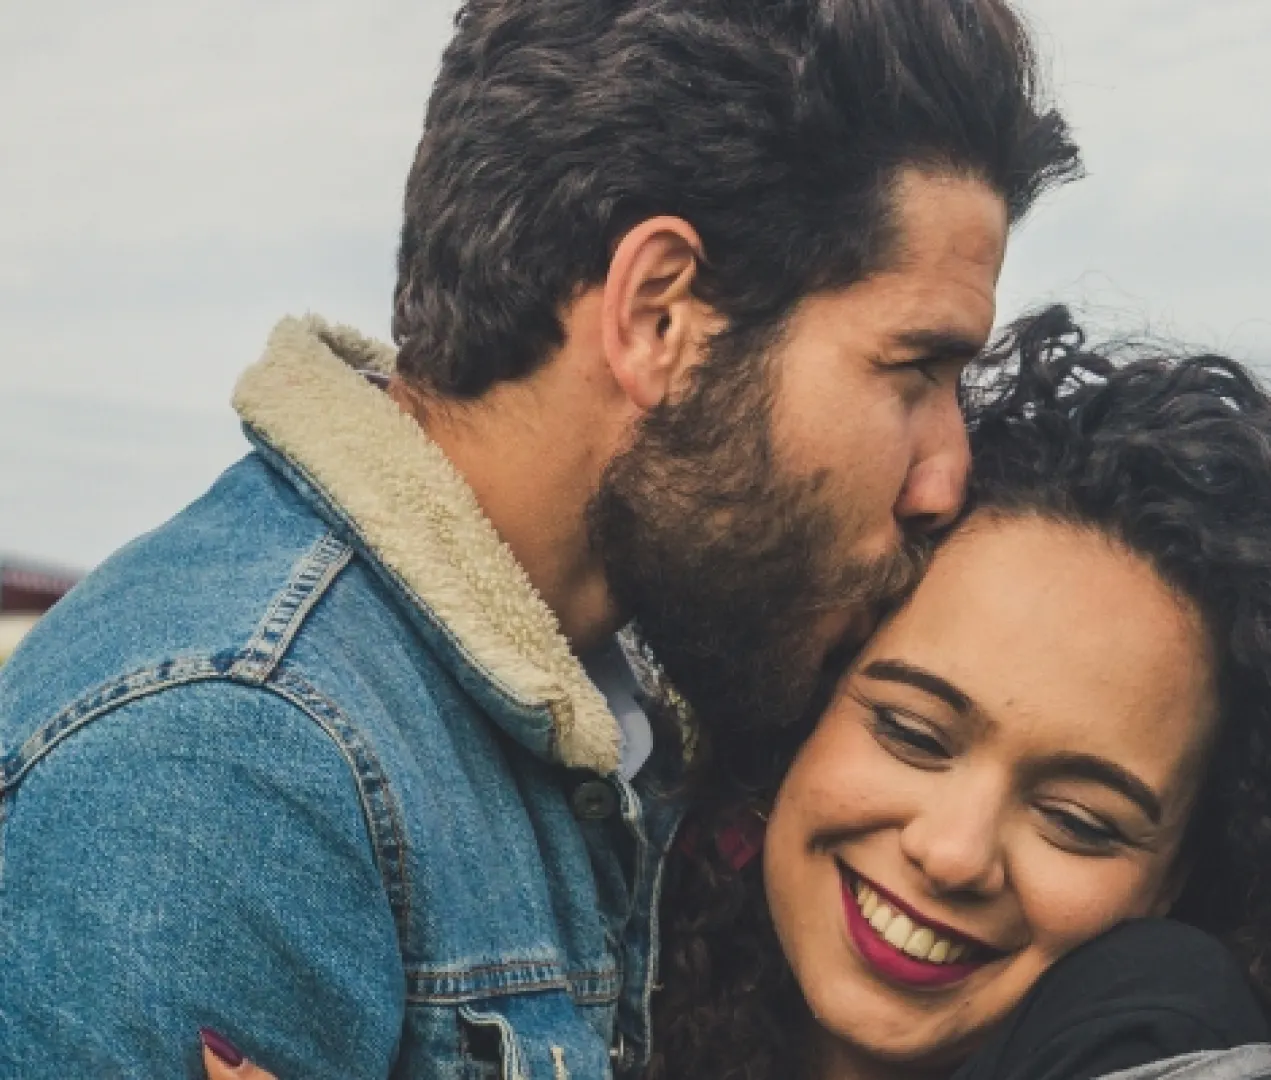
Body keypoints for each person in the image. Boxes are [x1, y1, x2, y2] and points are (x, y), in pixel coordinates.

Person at [198, 308, 1271, 1079]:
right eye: (913, 728)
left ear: (1184, 876)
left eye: (1080, 814)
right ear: (796, 711)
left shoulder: (1165, 1032)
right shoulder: (596, 971)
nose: (952, 846)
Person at [0, 1, 1079, 1075]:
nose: (947, 476)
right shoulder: (233, 771)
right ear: (659, 314)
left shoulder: (604, 703)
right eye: (915, 371)